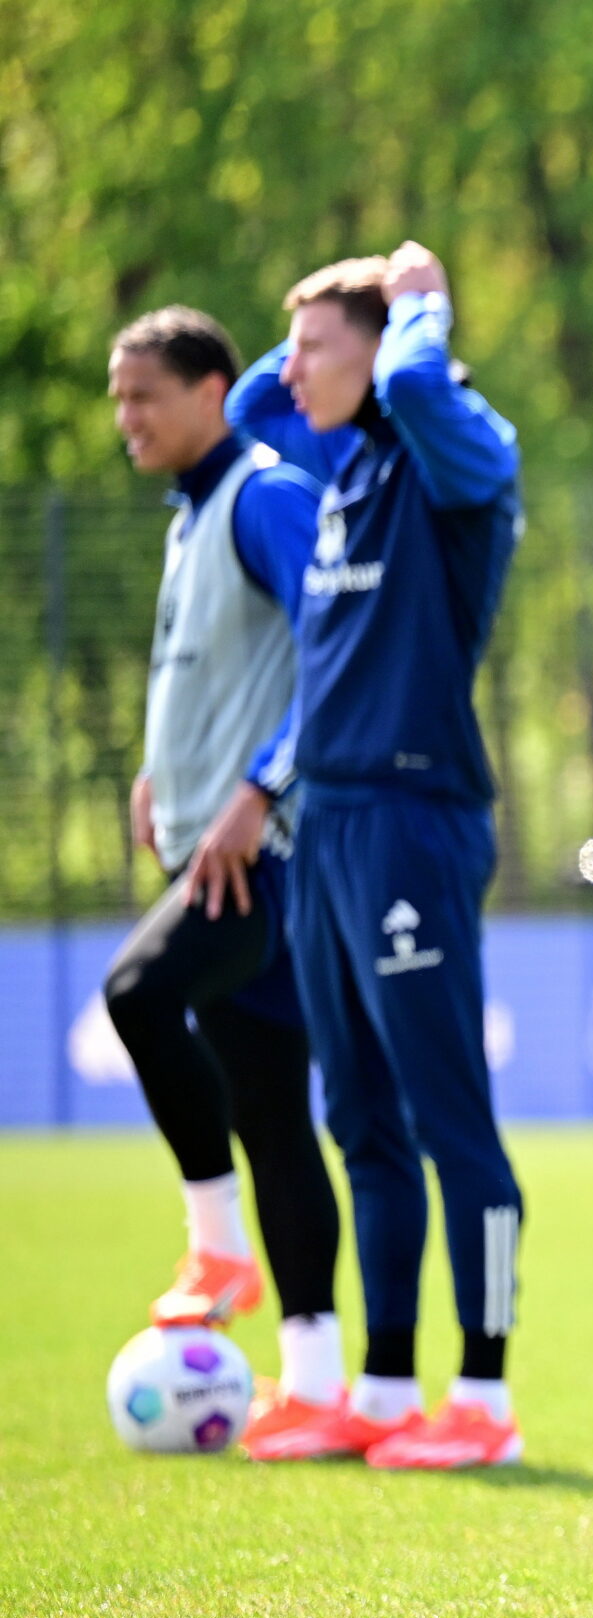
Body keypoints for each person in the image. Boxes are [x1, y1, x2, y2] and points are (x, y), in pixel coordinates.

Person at [219, 243, 530, 1470]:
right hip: (331, 825)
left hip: (414, 820)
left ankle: (488, 1402)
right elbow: (245, 405)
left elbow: (410, 390)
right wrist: (323, 318)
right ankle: (389, 1387)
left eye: (314, 350)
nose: (290, 374)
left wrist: (419, 308)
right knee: (358, 1116)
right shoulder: (340, 459)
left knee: (452, 1119)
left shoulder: (452, 458)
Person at [99, 306, 348, 1445]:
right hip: (213, 845)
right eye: (118, 397)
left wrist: (259, 789)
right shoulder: (190, 518)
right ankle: (317, 1381)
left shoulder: (264, 496)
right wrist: (159, 769)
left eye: (145, 394)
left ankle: (217, 1244)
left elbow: (330, 653)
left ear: (212, 390)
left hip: (266, 860)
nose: (126, 418)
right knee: (271, 1114)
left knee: (137, 994)